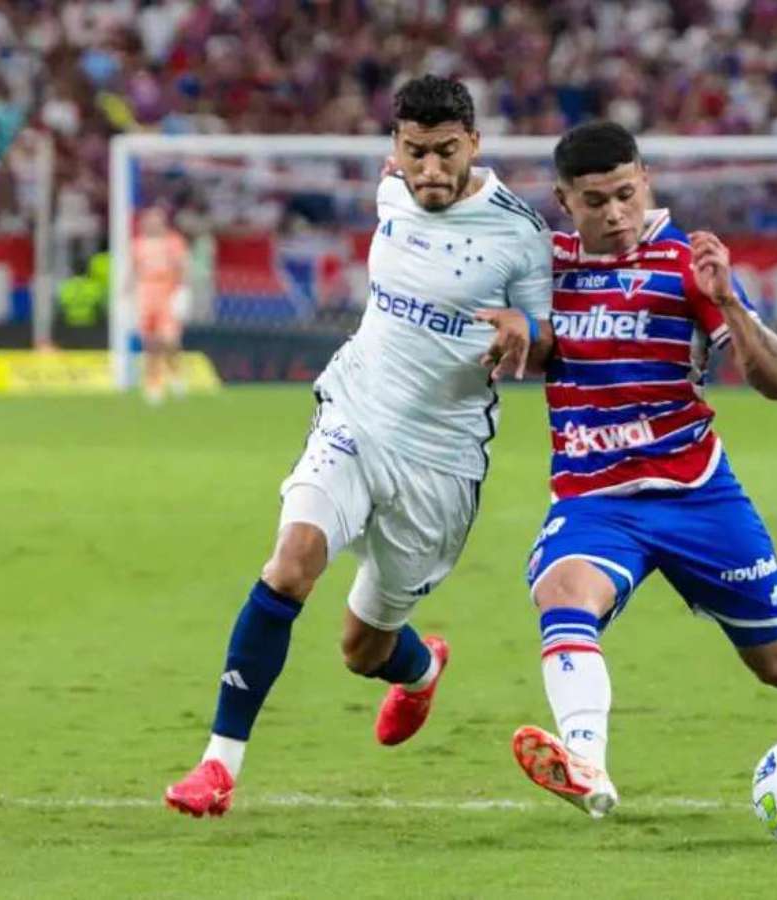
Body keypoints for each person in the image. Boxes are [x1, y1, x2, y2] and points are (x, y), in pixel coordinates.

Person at [164, 75, 553, 817]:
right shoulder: (391, 190)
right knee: (291, 563)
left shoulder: (519, 232)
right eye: (415, 152)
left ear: (474, 144)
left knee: (362, 649)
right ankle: (217, 766)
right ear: (394, 149)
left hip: (440, 460)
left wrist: (527, 333)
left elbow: (551, 347)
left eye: (446, 152)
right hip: (354, 413)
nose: (429, 169)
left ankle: (420, 672)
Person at [510, 122, 777, 818]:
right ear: (564, 201)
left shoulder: (686, 263)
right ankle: (586, 763)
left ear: (646, 181)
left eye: (626, 194)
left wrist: (727, 302)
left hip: (697, 495)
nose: (615, 213)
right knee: (563, 593)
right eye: (595, 201)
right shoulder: (542, 265)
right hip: (594, 498)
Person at [131, 205, 189, 403]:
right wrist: (127, 294)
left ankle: (176, 375)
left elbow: (181, 266)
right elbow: (134, 269)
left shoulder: (173, 241)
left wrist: (182, 291)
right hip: (146, 294)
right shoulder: (138, 244)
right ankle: (153, 384)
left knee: (170, 341)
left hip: (167, 292)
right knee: (150, 343)